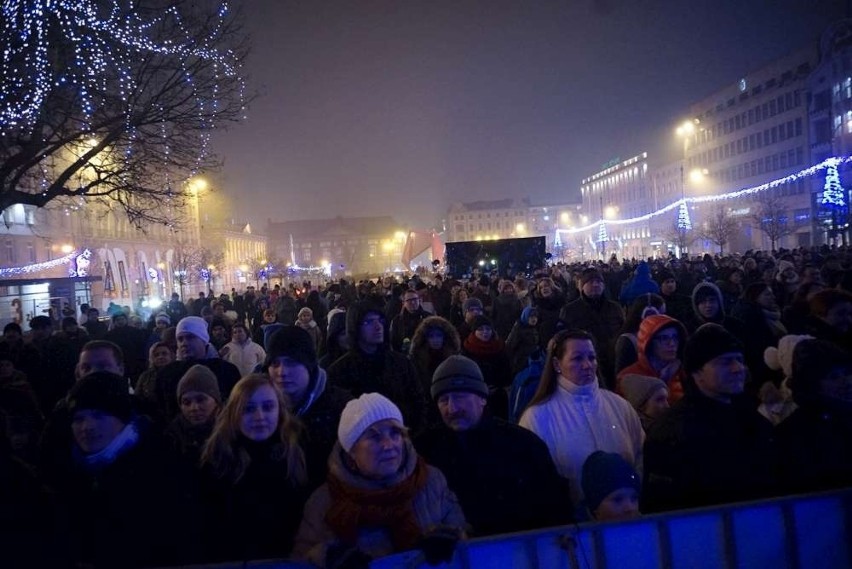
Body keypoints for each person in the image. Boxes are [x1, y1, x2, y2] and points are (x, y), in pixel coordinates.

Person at [293, 393, 465, 568]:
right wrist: (326, 556)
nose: (389, 445)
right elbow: (300, 560)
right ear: (351, 450)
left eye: (395, 433)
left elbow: (463, 534)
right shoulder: (323, 502)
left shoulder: (431, 482)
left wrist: (450, 540)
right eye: (374, 437)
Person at [414, 355, 572, 536]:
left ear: (482, 398)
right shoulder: (425, 451)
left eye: (460, 397)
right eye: (444, 400)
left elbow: (554, 505)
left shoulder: (522, 445)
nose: (452, 408)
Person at [49, 372, 192, 568]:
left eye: (99, 415)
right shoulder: (64, 473)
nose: (87, 426)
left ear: (122, 419)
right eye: (79, 418)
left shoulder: (159, 468)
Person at [642, 324, 777, 513]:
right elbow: (665, 506)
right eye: (725, 362)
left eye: (739, 359)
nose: (738, 368)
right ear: (697, 372)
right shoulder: (673, 431)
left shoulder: (751, 417)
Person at [519, 329, 644, 508]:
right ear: (556, 364)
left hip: (627, 516)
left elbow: (639, 455)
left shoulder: (619, 406)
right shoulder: (537, 417)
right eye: (577, 358)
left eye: (592, 358)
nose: (587, 365)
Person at [199, 374, 309, 562]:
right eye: (248, 409)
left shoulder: (297, 454)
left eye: (268, 407)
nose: (259, 417)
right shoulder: (217, 461)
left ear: (279, 411)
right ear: (234, 412)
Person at [264, 326, 352, 488]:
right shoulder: (261, 408)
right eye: (275, 364)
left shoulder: (341, 408)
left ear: (309, 365)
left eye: (291, 363)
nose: (282, 372)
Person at [327, 302, 428, 433]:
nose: (378, 326)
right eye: (368, 322)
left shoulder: (401, 363)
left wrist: (411, 435)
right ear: (355, 327)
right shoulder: (340, 370)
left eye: (380, 320)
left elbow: (418, 401)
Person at [776, 339, 852, 494]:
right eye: (833, 377)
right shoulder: (798, 430)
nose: (846, 382)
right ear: (813, 384)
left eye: (847, 373)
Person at [154, 316, 241, 421]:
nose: (184, 343)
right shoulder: (167, 374)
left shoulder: (226, 370)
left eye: (190, 337)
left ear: (203, 340)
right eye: (180, 339)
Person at [559, 268, 625, 389]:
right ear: (582, 286)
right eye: (590, 282)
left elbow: (623, 331)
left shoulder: (614, 308)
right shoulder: (570, 310)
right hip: (584, 364)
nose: (595, 285)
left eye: (599, 282)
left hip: (612, 362)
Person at [616, 314, 688, 403]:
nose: (672, 343)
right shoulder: (629, 377)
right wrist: (663, 381)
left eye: (675, 337)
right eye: (664, 338)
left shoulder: (684, 372)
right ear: (648, 342)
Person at [164, 364, 222, 469]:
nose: (194, 408)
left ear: (216, 400)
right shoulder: (172, 437)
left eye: (201, 400)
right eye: (186, 402)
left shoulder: (233, 431)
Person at [461, 315, 512, 419]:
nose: (485, 332)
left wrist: (498, 387)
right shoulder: (467, 349)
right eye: (480, 329)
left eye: (488, 329)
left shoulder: (499, 347)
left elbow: (507, 372)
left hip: (497, 398)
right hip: (474, 396)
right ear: (474, 331)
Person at [579, 451, 642, 522]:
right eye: (618, 500)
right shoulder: (572, 532)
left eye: (634, 499)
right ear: (595, 509)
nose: (630, 508)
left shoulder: (651, 529)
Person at [505, 306, 541, 377]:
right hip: (521, 362)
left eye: (535, 317)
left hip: (531, 360)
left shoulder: (534, 328)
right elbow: (510, 345)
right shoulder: (518, 329)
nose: (534, 319)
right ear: (526, 317)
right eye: (531, 317)